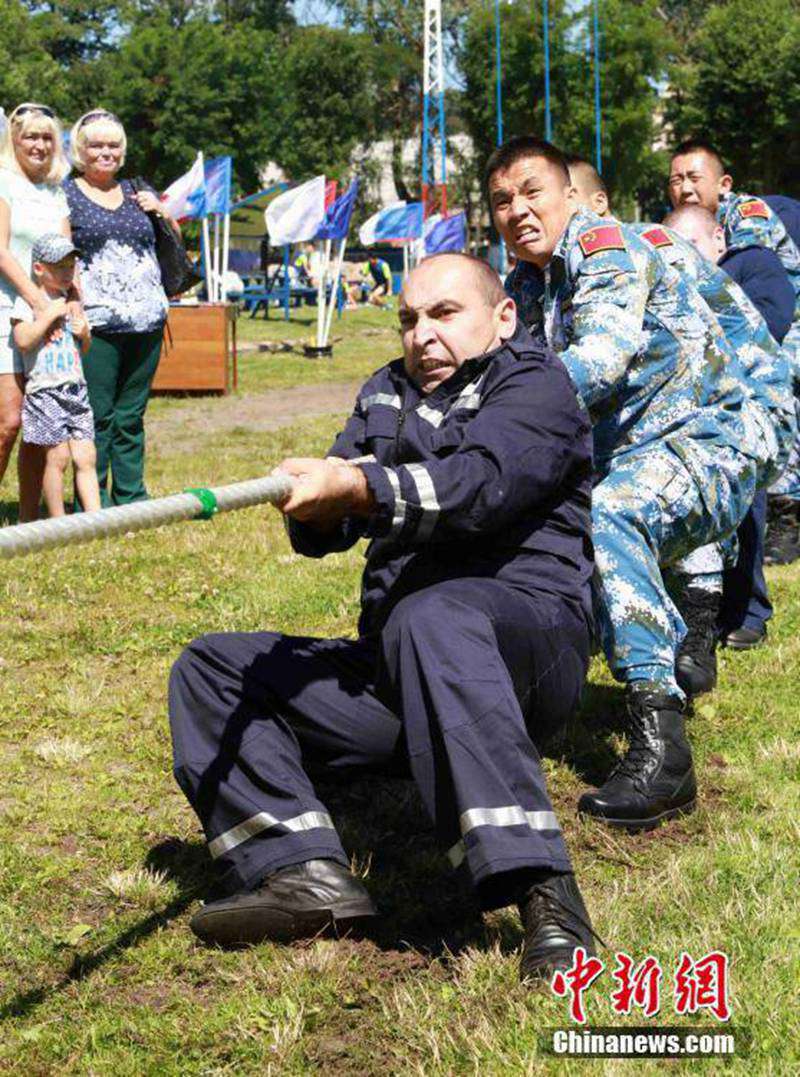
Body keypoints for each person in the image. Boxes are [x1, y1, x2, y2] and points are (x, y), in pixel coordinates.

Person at [169, 252, 598, 980]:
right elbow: (331, 523)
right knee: (213, 667)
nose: (421, 333)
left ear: (503, 318)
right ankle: (301, 872)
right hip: (408, 668)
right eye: (408, 318)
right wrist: (312, 499)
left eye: (444, 313)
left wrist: (360, 484)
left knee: (431, 614)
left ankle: (544, 893)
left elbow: (481, 485)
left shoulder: (536, 384)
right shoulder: (384, 394)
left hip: (530, 653)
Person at [490, 136, 758, 831]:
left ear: (570, 196)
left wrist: (495, 420)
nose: (517, 211)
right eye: (500, 201)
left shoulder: (603, 246)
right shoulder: (525, 284)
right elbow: (499, 374)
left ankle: (662, 750)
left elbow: (600, 359)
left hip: (708, 447)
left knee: (610, 512)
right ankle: (524, 692)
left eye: (531, 192)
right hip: (631, 458)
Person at [565, 158, 794, 683]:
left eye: (563, 198)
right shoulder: (552, 276)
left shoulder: (640, 249)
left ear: (597, 204)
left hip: (735, 409)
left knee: (673, 462)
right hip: (676, 417)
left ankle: (703, 620)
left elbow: (721, 357)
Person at [665, 203, 796, 650]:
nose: (685, 260)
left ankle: (748, 610)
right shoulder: (667, 291)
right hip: (685, 416)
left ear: (719, 239)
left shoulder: (751, 262)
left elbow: (769, 322)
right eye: (674, 251)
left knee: (743, 509)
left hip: (745, 411)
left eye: (694, 246)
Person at [667, 140, 800, 563]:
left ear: (723, 184)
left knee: (773, 385)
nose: (684, 187)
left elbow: (743, 284)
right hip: (734, 331)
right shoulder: (681, 225)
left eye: (694, 177)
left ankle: (787, 511)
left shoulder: (746, 215)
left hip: (785, 320)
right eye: (676, 179)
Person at [63, 108, 176, 507]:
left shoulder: (137, 189)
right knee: (97, 414)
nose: (106, 152)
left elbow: (173, 240)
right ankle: (92, 504)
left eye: (114, 145)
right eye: (96, 145)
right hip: (96, 322)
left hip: (147, 319)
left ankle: (131, 495)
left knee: (131, 414)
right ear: (81, 150)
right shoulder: (66, 193)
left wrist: (161, 210)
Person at [0, 102, 72, 519]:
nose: (40, 144)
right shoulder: (4, 182)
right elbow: (1, 249)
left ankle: (28, 519)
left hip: (47, 314)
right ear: (14, 139)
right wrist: (35, 298)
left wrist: (71, 306)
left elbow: (66, 259)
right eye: (31, 135)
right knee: (8, 420)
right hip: (10, 306)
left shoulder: (56, 191)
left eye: (47, 137)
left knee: (37, 421)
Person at [10, 234, 100, 519]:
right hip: (45, 391)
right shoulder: (27, 304)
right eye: (60, 267)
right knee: (57, 457)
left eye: (71, 266)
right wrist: (48, 316)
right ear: (39, 269)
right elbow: (23, 340)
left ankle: (98, 520)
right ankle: (58, 522)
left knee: (86, 456)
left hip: (76, 389)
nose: (67, 273)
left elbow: (83, 349)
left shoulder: (71, 302)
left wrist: (84, 335)